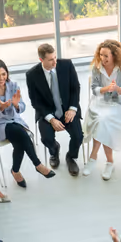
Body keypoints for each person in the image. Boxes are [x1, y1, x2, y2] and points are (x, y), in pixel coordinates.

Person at [0, 59, 54, 188]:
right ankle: (38, 164)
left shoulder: (13, 85)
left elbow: (22, 106)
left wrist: (16, 105)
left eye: (3, 74)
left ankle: (15, 171)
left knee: (20, 142)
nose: (1, 78)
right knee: (20, 134)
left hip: (14, 120)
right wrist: (1, 108)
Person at [26, 43, 83, 176]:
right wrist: (51, 119)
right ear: (42, 60)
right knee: (46, 138)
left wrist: (73, 109)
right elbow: (35, 101)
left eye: (55, 57)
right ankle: (54, 150)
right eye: (51, 59)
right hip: (48, 112)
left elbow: (75, 88)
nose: (54, 61)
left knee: (78, 136)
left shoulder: (67, 65)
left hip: (68, 108)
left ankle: (70, 157)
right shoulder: (32, 75)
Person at [83, 40, 121, 180]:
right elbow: (94, 88)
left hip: (119, 104)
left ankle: (94, 157)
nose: (103, 59)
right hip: (100, 102)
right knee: (101, 120)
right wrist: (106, 89)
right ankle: (109, 161)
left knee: (104, 120)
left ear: (114, 56)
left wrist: (117, 89)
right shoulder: (97, 67)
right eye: (101, 55)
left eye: (106, 56)